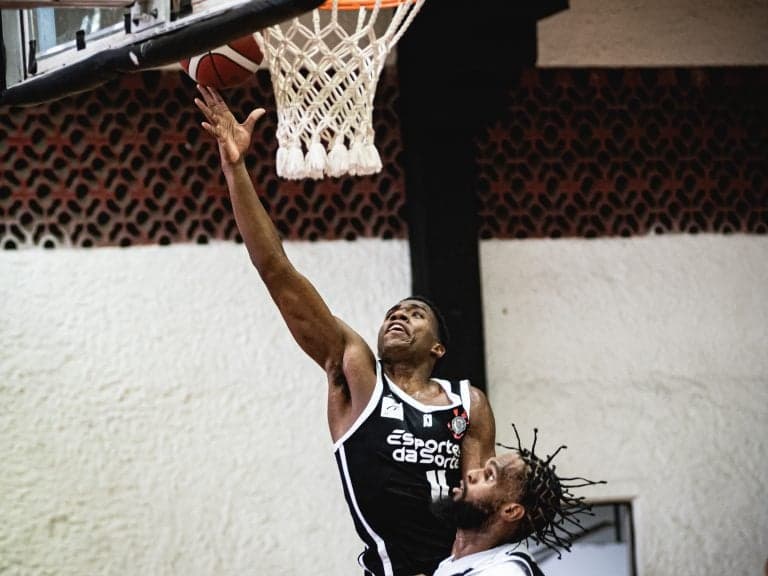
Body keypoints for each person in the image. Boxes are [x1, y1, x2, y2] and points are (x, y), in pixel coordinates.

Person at [194, 85, 496, 576]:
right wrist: (236, 170)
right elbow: (277, 270)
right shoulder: (356, 374)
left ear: (438, 347)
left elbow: (483, 504)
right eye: (393, 311)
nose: (399, 316)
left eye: (416, 313)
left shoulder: (470, 404)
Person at [431, 426, 604, 576]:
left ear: (511, 511)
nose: (471, 474)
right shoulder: (463, 562)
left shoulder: (506, 572)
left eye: (489, 476)